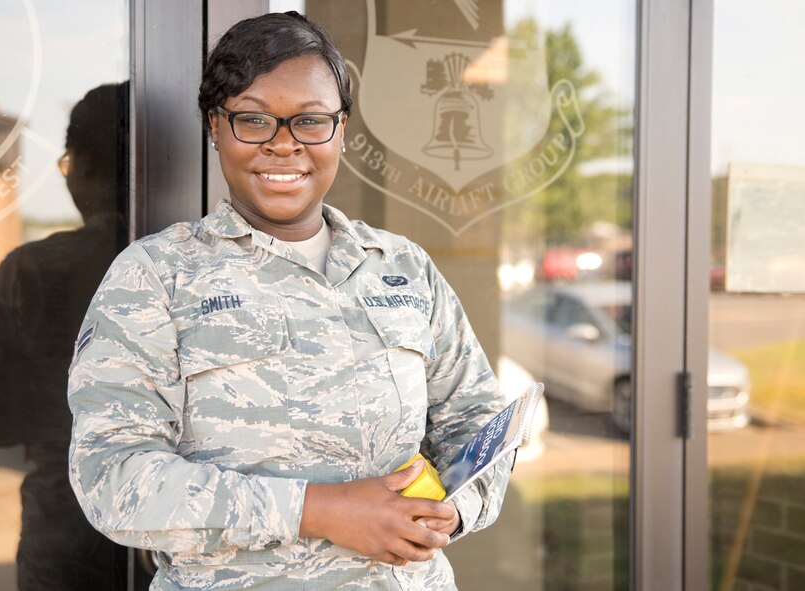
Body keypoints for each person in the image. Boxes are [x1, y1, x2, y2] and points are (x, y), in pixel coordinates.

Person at [68, 12, 511, 590]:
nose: (283, 145)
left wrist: (454, 510)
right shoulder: (157, 276)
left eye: (309, 121)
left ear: (341, 129)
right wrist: (321, 510)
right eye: (253, 120)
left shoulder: (403, 269)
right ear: (215, 126)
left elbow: (480, 422)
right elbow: (112, 478)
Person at [0, 83, 129, 590]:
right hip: (187, 529)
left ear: (84, 165)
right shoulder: (206, 265)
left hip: (66, 535)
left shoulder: (31, 271)